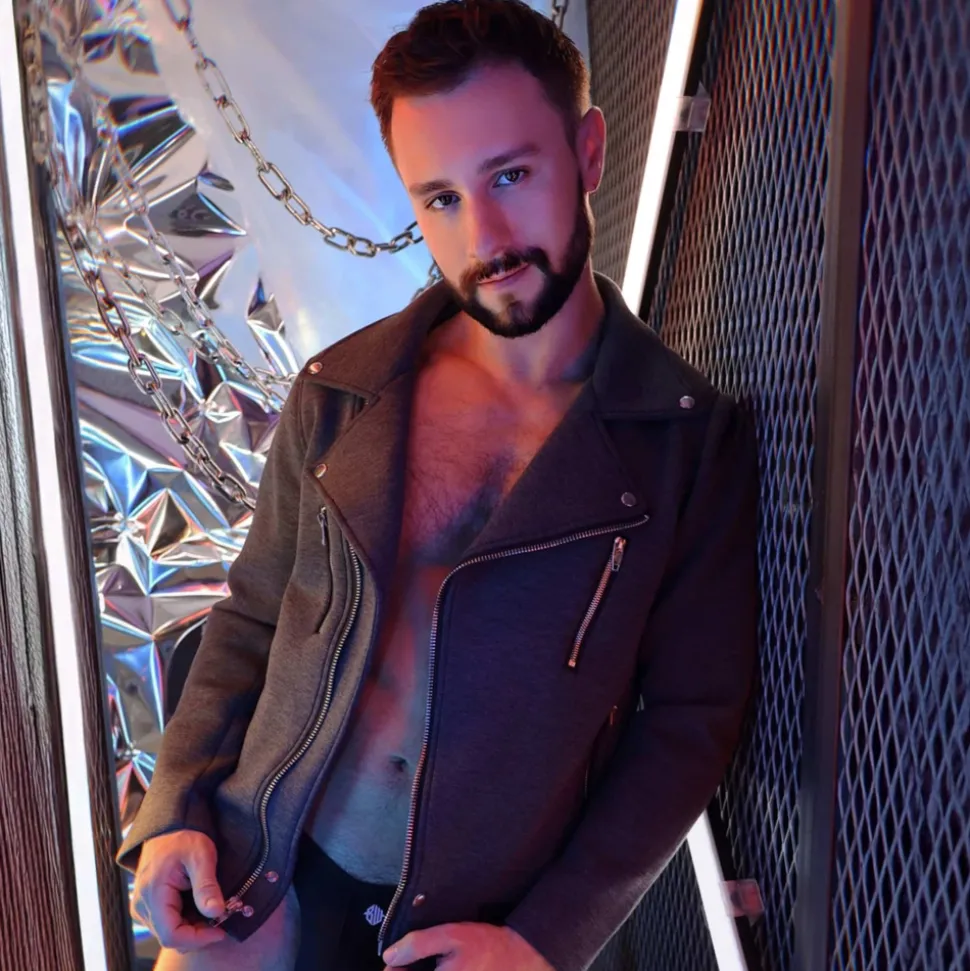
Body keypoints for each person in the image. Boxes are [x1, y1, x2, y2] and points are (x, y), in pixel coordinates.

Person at [118, 2, 760, 969]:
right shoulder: (342, 389)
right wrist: (176, 804)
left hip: (463, 933)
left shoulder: (684, 443)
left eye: (510, 175)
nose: (484, 235)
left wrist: (547, 941)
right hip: (254, 888)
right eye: (442, 199)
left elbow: (688, 724)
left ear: (587, 151)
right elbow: (252, 614)